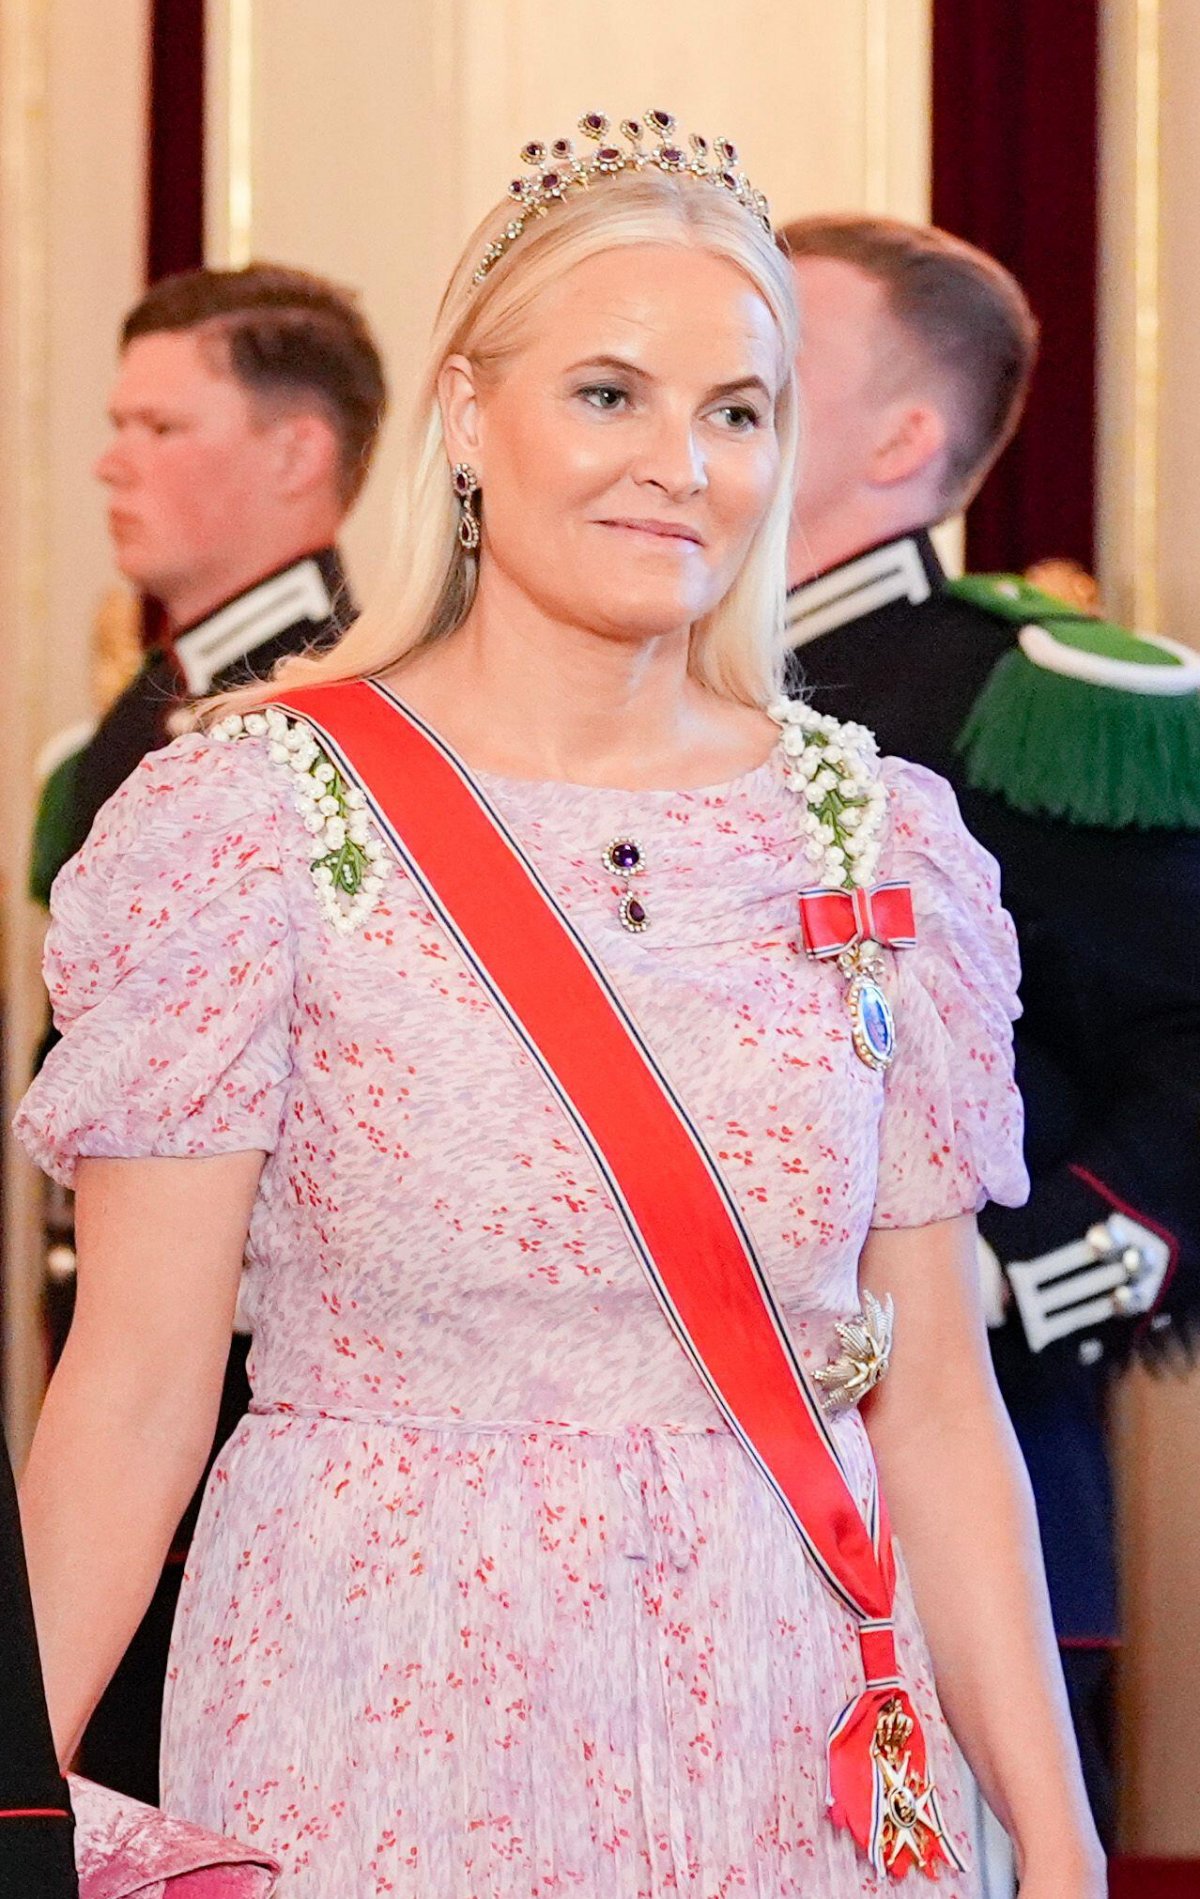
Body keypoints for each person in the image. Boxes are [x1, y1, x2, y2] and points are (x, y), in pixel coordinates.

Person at [15, 116, 1102, 1897]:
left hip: (795, 1720)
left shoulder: (876, 831)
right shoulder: (254, 820)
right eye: (608, 394)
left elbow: (937, 1411)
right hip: (373, 1718)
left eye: (737, 411)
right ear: (465, 418)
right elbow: (130, 1393)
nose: (680, 464)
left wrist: (1056, 1852)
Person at [778, 211, 1200, 1845]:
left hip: (960, 1491)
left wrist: (1024, 1279)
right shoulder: (615, 686)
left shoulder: (1027, 706)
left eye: (777, 356)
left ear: (903, 436)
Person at [32, 260, 388, 1804]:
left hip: (244, 1382)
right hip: (125, 1340)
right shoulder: (144, 709)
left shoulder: (337, 713)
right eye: (113, 421)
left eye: (160, 423)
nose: (110, 459)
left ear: (299, 455)